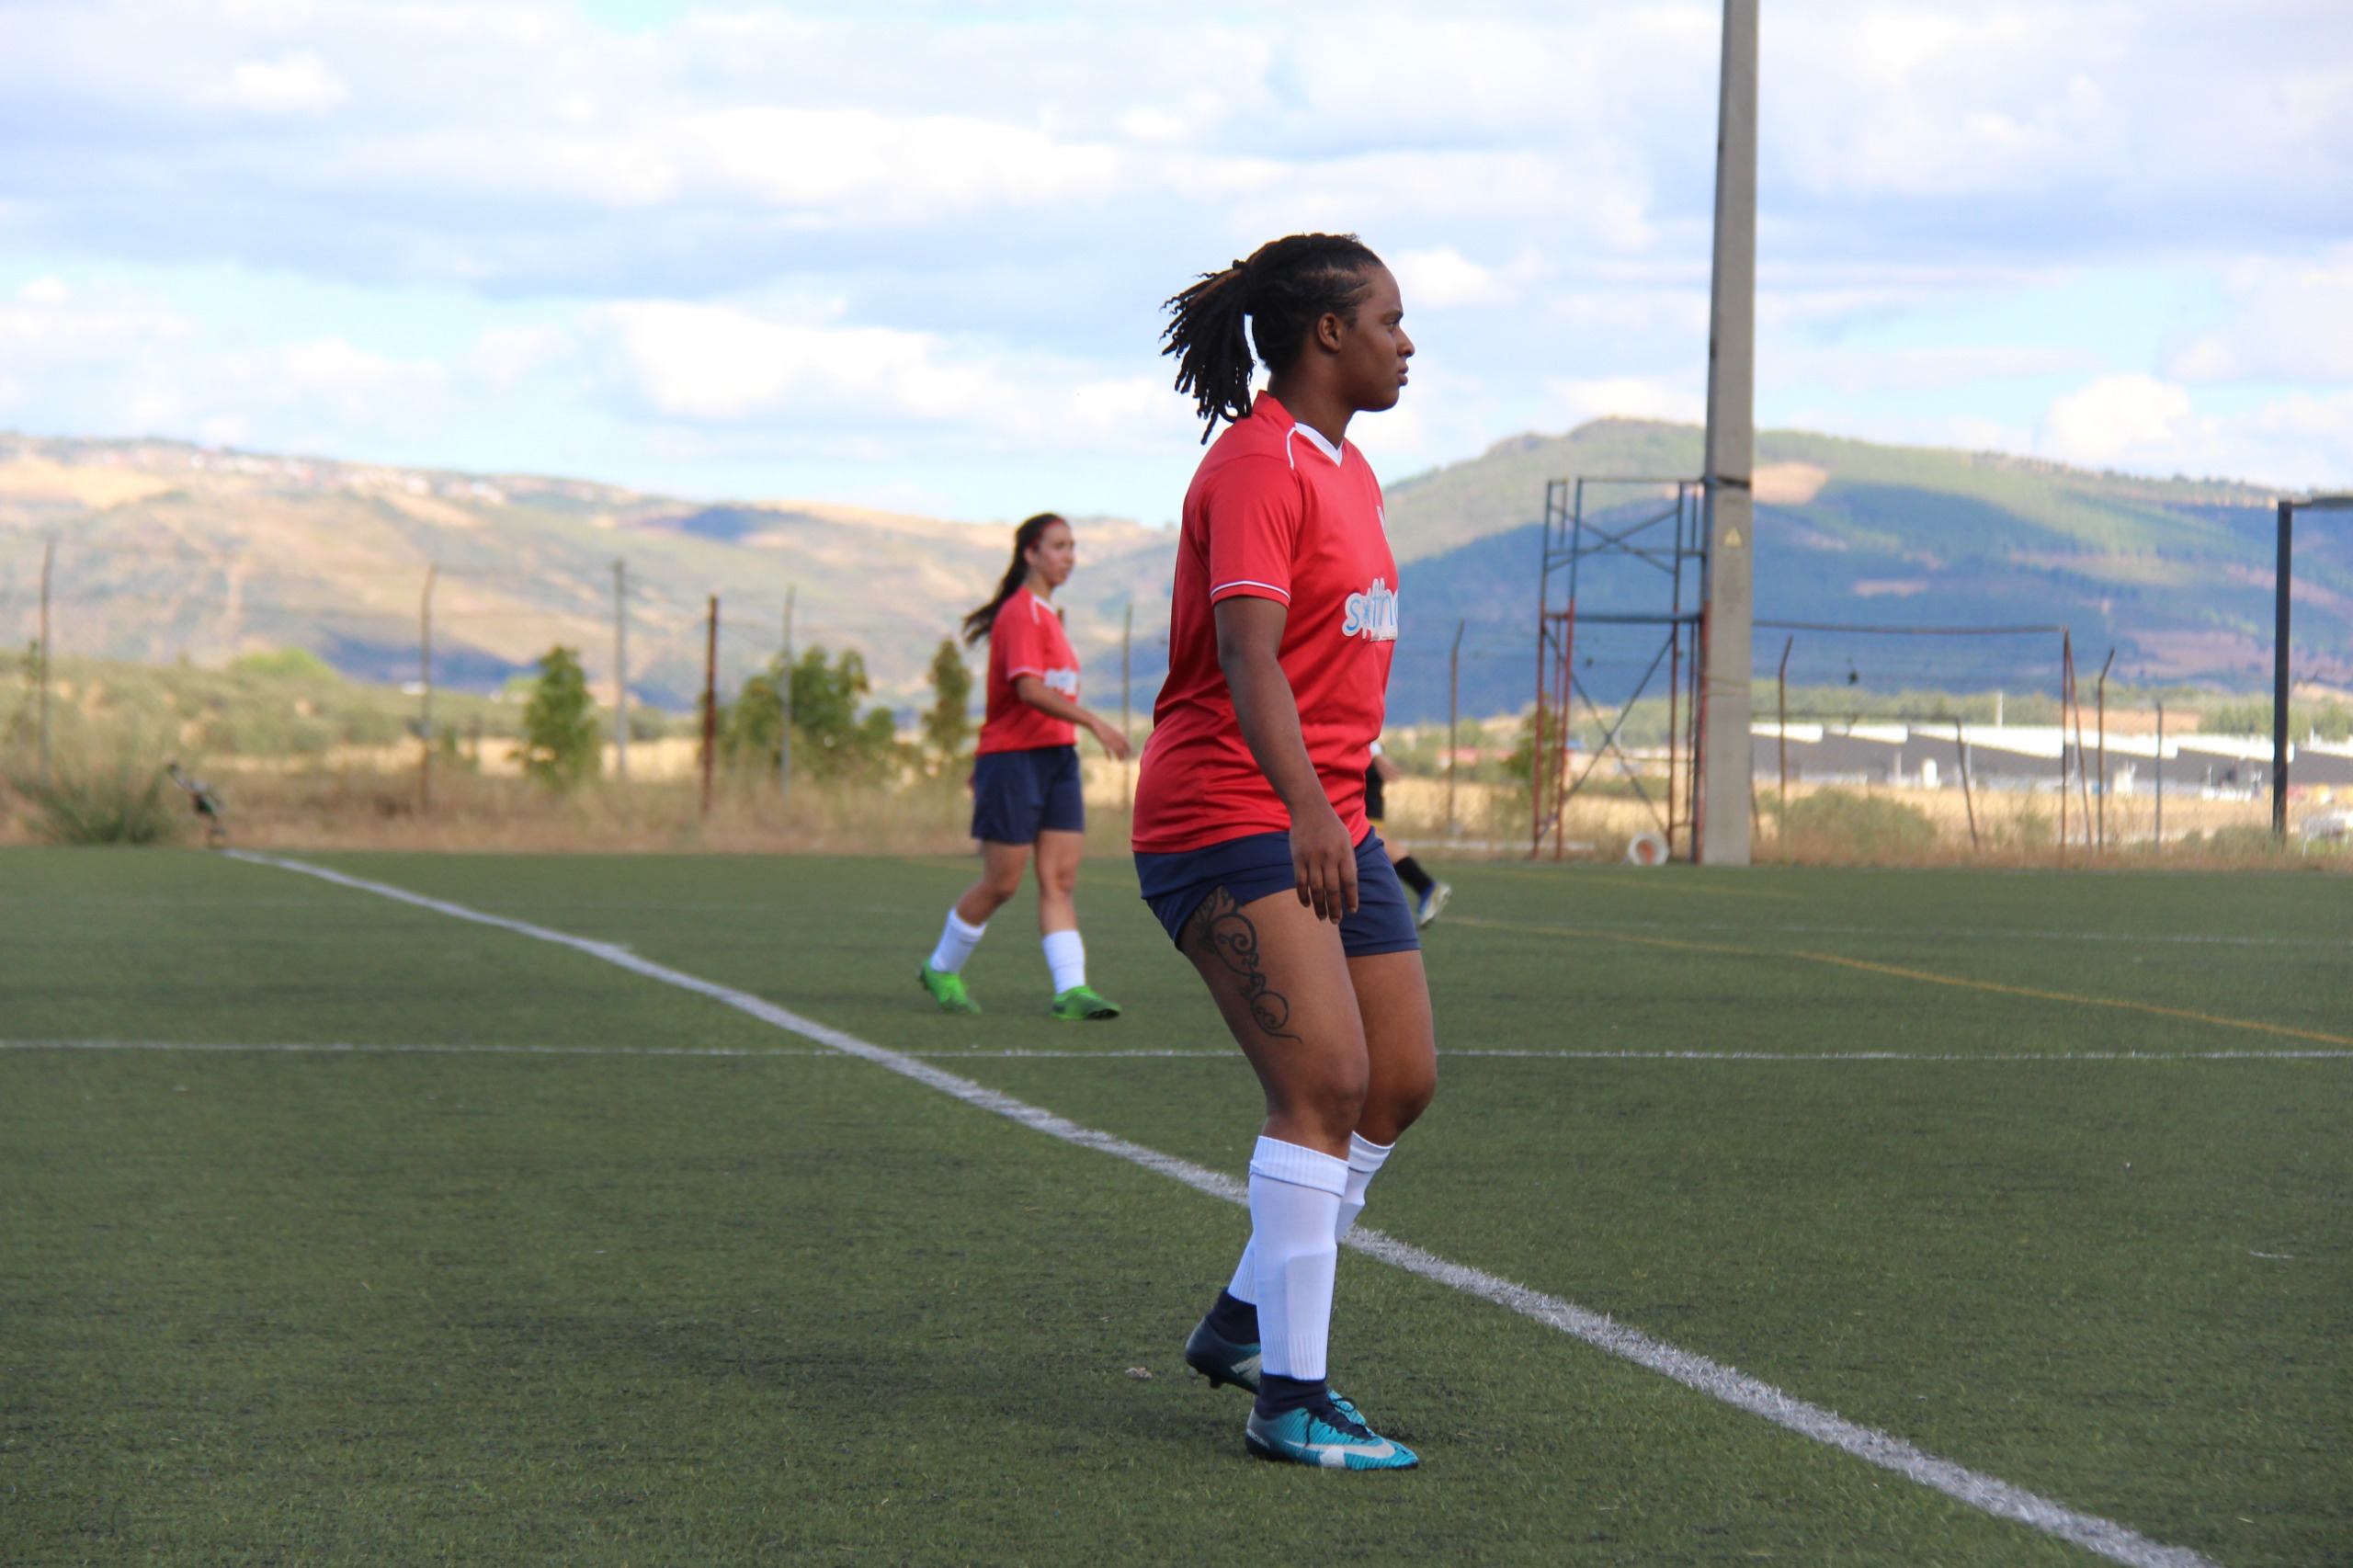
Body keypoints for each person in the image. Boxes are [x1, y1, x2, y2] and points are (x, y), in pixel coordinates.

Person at [1132, 233, 1431, 1471]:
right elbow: (1249, 659)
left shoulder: (1346, 470)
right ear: (1327, 334)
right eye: (1391, 321)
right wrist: (1310, 807)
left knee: (1395, 1082)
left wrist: (1347, 795)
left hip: (1324, 812)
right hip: (1228, 814)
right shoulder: (1257, 466)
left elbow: (1323, 663)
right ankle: (1290, 1397)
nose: (1406, 344)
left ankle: (1245, 1315)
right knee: (1318, 1088)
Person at [920, 513, 1131, 1019]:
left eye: (1073, 547)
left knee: (1059, 880)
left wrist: (1076, 732)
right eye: (1059, 546)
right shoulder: (1020, 614)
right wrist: (1094, 723)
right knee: (1003, 883)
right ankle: (940, 968)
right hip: (1012, 761)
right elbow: (1029, 689)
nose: (1069, 557)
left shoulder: (1051, 618)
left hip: (1057, 760)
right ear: (1030, 554)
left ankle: (1071, 991)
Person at [1364, 743, 1450, 926]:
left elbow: (1353, 721)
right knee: (1366, 842)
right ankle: (1422, 888)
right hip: (1361, 758)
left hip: (1360, 760)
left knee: (1368, 836)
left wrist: (1375, 754)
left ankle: (1425, 886)